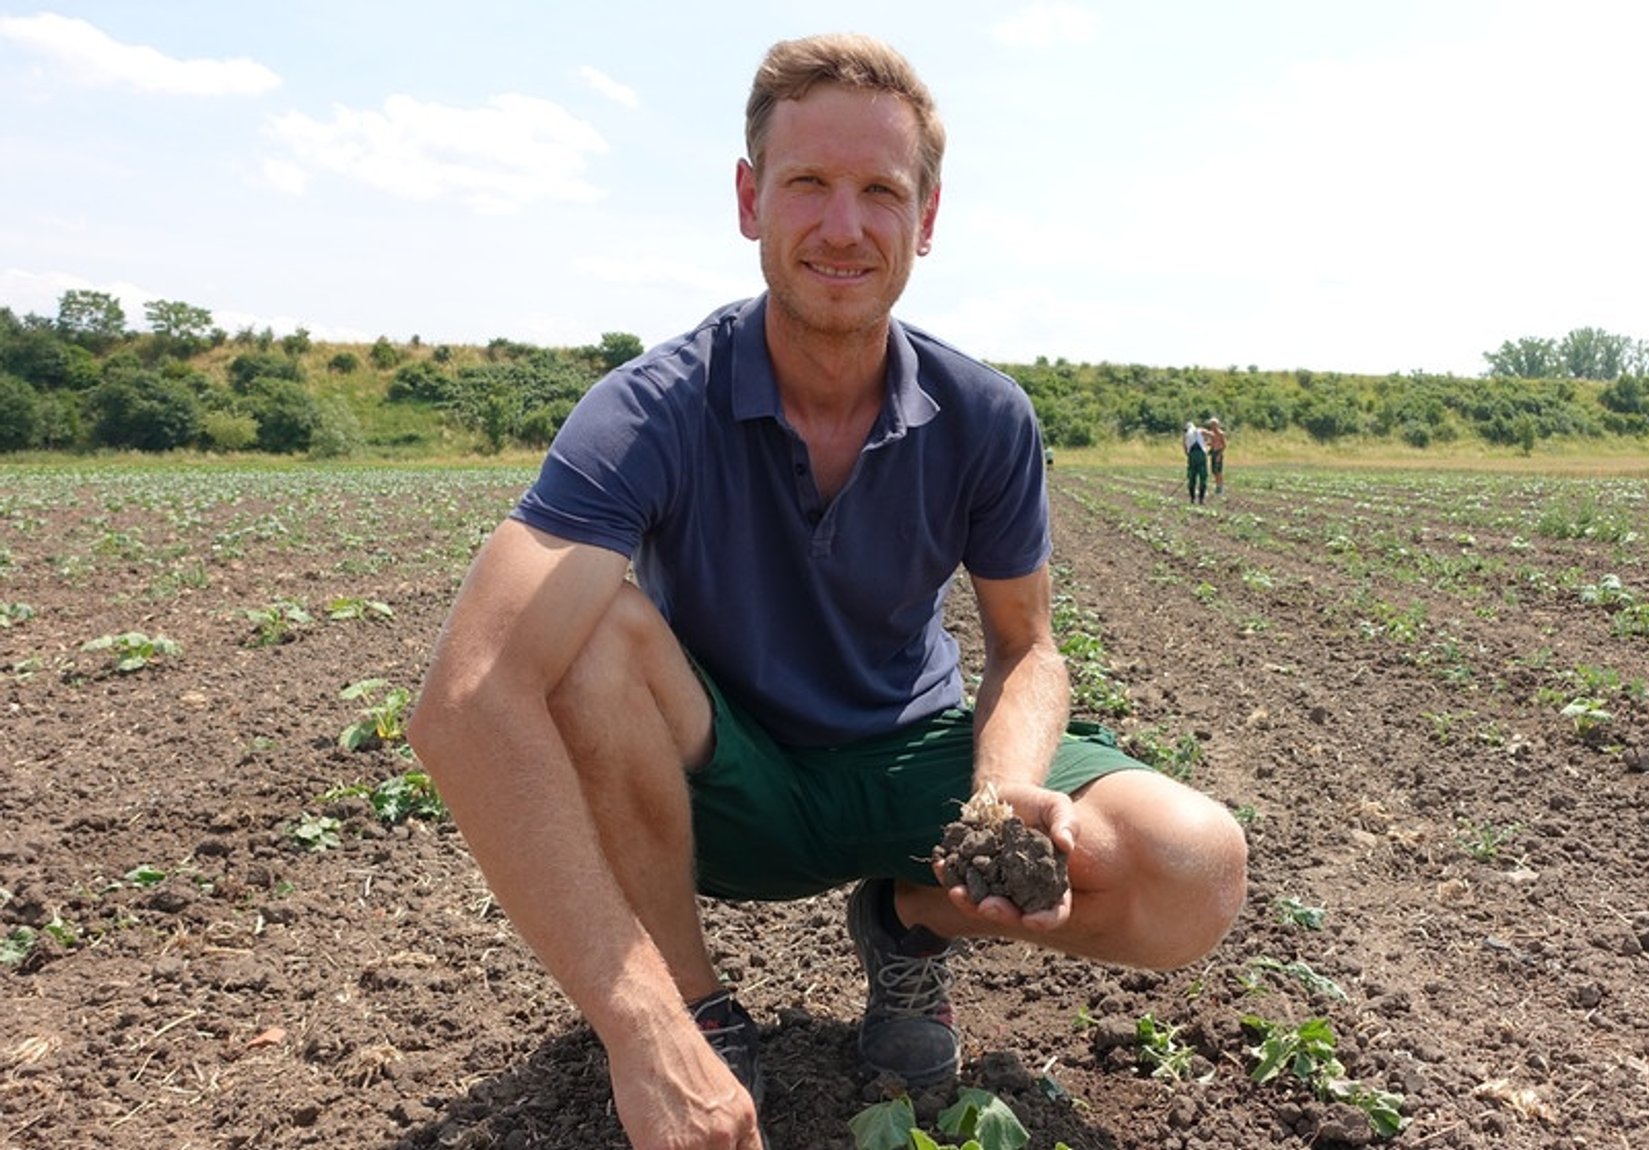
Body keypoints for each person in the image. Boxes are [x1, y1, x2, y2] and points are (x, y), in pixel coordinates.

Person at [409, 32, 1248, 1150]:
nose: (842, 226)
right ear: (751, 198)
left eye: (879, 192)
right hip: (720, 783)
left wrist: (999, 805)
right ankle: (695, 1008)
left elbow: (1026, 646)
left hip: (911, 763)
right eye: (806, 183)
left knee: (1193, 864)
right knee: (587, 635)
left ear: (926, 220)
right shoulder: (651, 408)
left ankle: (906, 925)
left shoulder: (983, 415)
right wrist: (638, 1030)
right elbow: (468, 697)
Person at [1182, 420, 1209, 504]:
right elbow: (1210, 434)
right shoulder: (1199, 430)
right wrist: (1208, 444)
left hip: (1192, 455)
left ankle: (1192, 498)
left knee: (1192, 476)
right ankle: (1201, 499)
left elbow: (1185, 447)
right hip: (1201, 455)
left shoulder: (1186, 435)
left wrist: (1188, 454)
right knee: (1203, 476)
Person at [1202, 417, 1227, 493]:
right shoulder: (1211, 433)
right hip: (1213, 453)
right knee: (1214, 471)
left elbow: (1224, 445)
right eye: (1211, 425)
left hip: (1218, 453)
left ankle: (1220, 487)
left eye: (1214, 424)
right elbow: (1212, 443)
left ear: (1217, 425)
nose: (1212, 426)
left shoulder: (1221, 433)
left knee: (1218, 471)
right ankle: (1217, 486)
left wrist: (1219, 455)